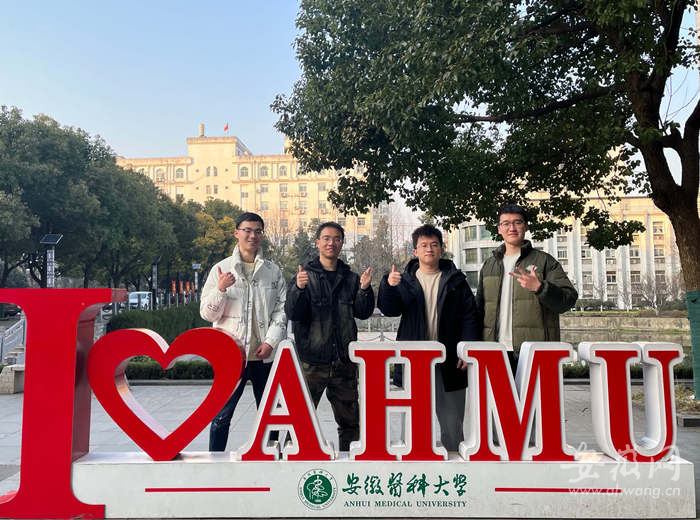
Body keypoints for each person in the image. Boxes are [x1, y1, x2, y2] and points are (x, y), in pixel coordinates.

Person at [377, 224, 479, 452]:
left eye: (434, 245)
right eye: (423, 245)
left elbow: (469, 317)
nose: (429, 249)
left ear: (442, 249)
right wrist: (389, 286)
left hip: (449, 360)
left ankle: (453, 459)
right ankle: (411, 460)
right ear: (415, 251)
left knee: (452, 420)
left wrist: (467, 350)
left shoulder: (456, 281)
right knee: (413, 419)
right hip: (415, 359)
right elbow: (390, 309)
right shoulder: (405, 280)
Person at [200, 212, 287, 451]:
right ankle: (215, 463)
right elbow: (207, 314)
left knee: (272, 416)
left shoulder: (273, 271)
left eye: (258, 231)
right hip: (231, 357)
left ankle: (272, 460)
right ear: (236, 233)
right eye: (247, 230)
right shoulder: (220, 269)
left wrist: (270, 342)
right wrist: (220, 289)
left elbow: (281, 311)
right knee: (221, 416)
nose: (252, 236)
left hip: (264, 357)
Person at [285, 221, 374, 451]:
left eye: (336, 239)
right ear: (317, 242)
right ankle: (291, 463)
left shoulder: (351, 278)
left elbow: (363, 313)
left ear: (342, 243)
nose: (331, 243)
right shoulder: (305, 276)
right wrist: (298, 289)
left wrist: (365, 290)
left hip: (343, 362)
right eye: (326, 238)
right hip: (312, 362)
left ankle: (348, 465)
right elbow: (293, 313)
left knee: (350, 424)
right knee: (299, 420)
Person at [476, 204, 578, 373]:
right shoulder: (489, 265)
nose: (512, 228)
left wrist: (540, 288)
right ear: (499, 229)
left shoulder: (545, 262)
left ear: (526, 226)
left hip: (533, 351)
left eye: (518, 222)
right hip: (494, 351)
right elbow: (479, 309)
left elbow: (568, 300)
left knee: (533, 392)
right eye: (506, 223)